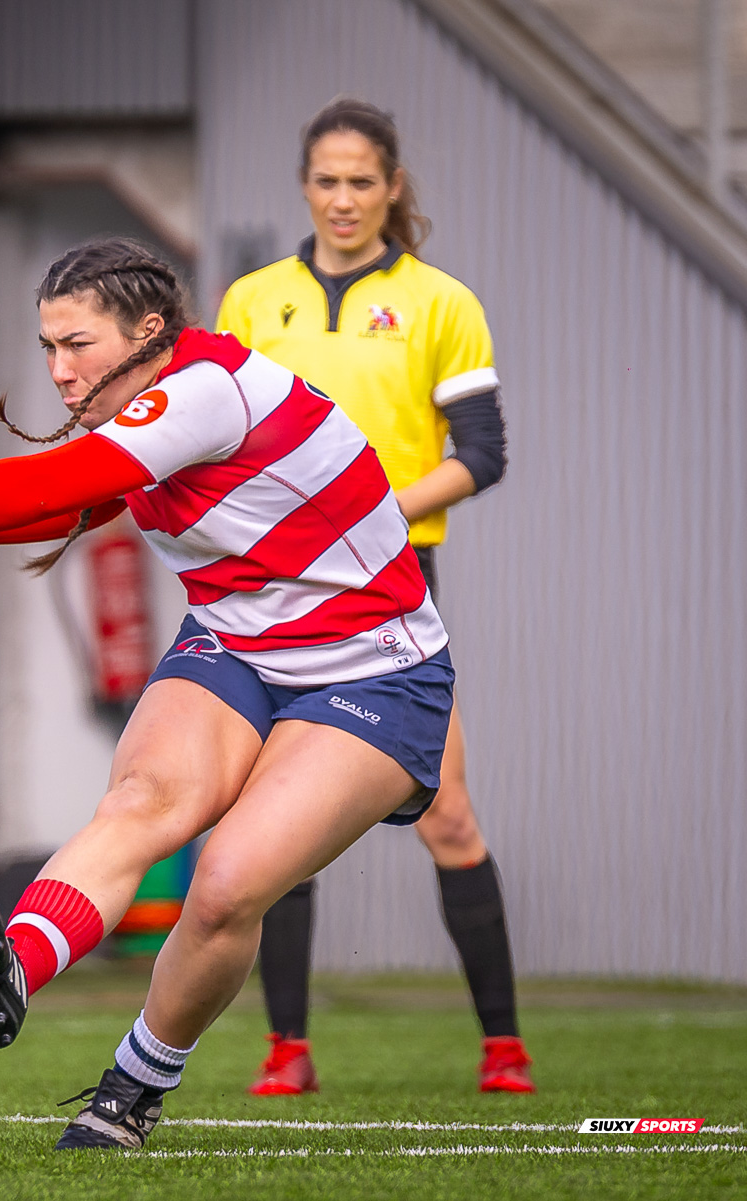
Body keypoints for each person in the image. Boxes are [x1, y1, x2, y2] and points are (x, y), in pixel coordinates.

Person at [0, 236, 456, 1150]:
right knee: (141, 801)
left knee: (225, 886)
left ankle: (131, 1089)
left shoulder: (204, 392)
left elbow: (62, 482)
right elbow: (67, 505)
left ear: (149, 331)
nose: (56, 369)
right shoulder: (144, 416)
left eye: (76, 345)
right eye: (47, 347)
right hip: (236, 646)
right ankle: (15, 962)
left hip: (374, 670)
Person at [216, 97, 531, 1096]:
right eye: (326, 180)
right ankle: (287, 1049)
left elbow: (480, 454)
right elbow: (216, 439)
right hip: (276, 593)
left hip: (395, 592)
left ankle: (504, 1050)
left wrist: (376, 511)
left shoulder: (442, 301)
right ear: (303, 186)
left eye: (362, 181)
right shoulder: (252, 302)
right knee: (277, 822)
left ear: (392, 186)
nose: (343, 199)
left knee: (448, 817)